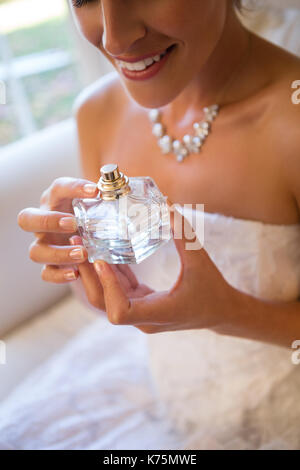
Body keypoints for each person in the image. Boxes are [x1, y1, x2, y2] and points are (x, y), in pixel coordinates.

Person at [17, 0, 300, 449]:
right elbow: (117, 298)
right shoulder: (96, 113)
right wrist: (78, 260)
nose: (112, 38)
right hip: (169, 398)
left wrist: (229, 313)